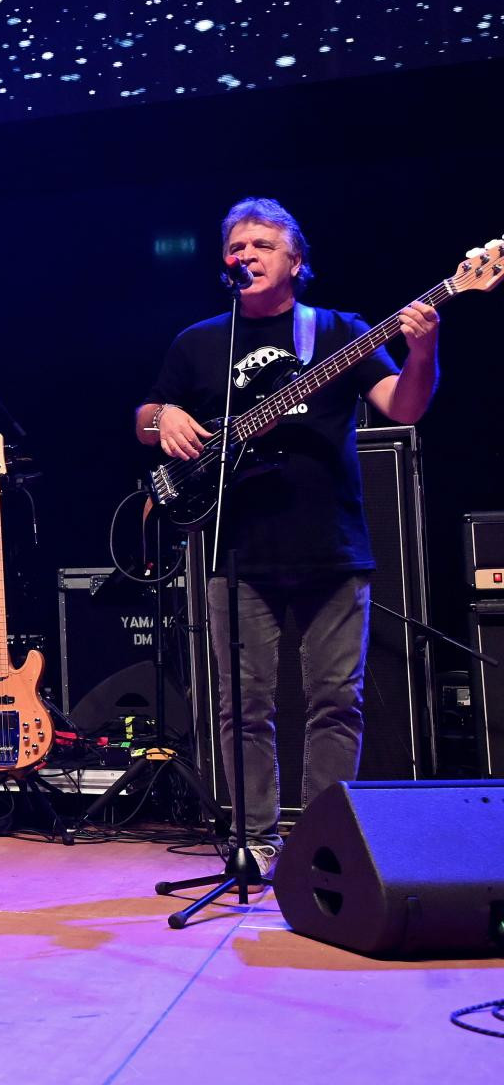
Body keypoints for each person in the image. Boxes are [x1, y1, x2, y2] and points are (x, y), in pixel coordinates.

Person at [134, 196, 438, 864]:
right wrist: (163, 420)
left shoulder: (337, 331)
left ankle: (324, 845)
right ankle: (254, 840)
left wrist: (423, 350)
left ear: (296, 261)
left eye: (262, 245)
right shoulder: (200, 341)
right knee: (243, 707)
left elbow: (404, 407)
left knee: (336, 701)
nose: (245, 255)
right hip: (238, 550)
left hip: (332, 545)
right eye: (235, 247)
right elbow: (146, 417)